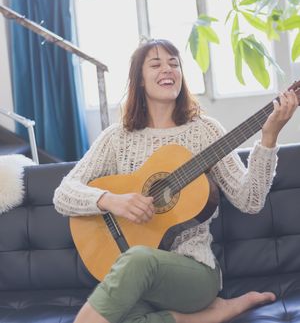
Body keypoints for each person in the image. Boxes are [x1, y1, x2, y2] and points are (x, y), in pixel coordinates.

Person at [53, 38, 298, 323]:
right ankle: (213, 314)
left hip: (193, 273)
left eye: (174, 64)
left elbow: (251, 201)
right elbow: (64, 194)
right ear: (140, 80)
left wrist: (269, 138)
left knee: (138, 258)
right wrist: (111, 200)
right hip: (134, 277)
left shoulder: (205, 131)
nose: (167, 70)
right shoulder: (117, 138)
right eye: (156, 64)